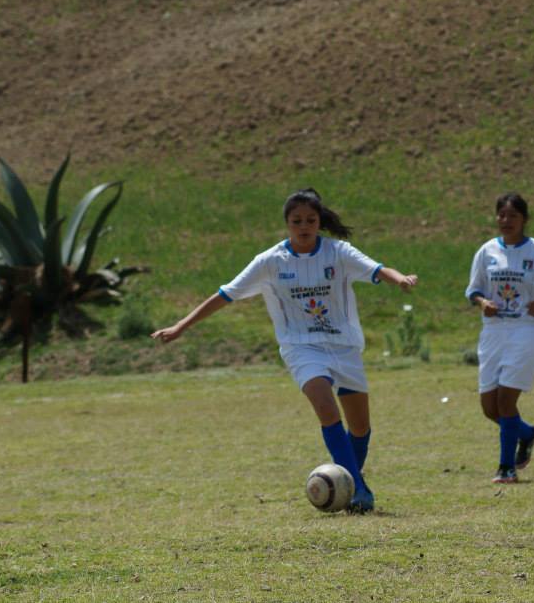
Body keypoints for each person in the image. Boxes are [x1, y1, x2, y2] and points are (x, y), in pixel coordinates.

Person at [151, 188, 418, 513]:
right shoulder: (270, 262)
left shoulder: (338, 252)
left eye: (310, 220)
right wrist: (181, 325)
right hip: (301, 347)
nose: (304, 226)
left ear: (319, 221)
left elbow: (377, 269)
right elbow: (225, 294)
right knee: (325, 407)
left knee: (360, 427)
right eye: (296, 221)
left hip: (344, 346)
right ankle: (359, 489)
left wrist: (400, 279)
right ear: (286, 224)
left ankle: (348, 481)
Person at [465, 193, 534, 484]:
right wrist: (482, 303)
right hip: (493, 332)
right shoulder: (486, 251)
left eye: (513, 216)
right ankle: (527, 434)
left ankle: (506, 468)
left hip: (526, 330)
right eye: (501, 215)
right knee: (490, 408)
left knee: (505, 400)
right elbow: (473, 289)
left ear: (524, 220)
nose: (506, 221)